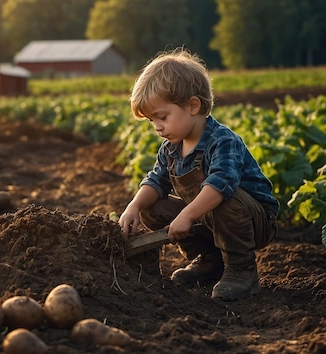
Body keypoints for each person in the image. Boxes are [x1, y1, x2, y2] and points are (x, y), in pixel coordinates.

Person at [118, 48, 279, 301]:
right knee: (151, 207)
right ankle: (210, 261)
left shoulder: (222, 140)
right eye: (151, 121)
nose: (157, 127)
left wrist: (187, 215)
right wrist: (134, 206)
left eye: (162, 117)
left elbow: (221, 184)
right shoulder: (171, 148)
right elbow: (156, 179)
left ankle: (241, 271)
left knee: (225, 198)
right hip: (208, 219)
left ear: (193, 106)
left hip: (251, 220)